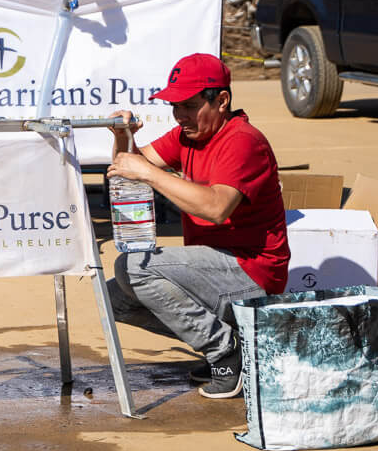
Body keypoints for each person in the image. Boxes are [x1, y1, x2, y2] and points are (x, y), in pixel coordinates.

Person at [105, 52, 289, 399]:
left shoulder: (243, 141)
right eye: (175, 106)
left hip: (253, 273)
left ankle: (225, 351)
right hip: (216, 269)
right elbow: (134, 164)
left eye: (189, 106)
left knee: (133, 267)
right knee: (113, 298)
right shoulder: (188, 135)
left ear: (222, 100)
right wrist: (123, 136)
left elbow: (216, 208)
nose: (180, 116)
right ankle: (226, 344)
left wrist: (147, 172)